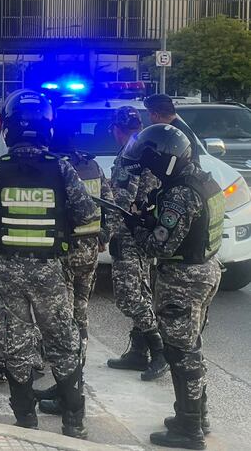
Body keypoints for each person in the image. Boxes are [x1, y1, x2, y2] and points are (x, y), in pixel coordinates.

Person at [0, 89, 97, 439]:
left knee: (16, 341)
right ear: (47, 128)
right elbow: (87, 215)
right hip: (50, 270)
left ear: (8, 131)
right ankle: (75, 423)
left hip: (10, 270)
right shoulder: (62, 169)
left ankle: (26, 422)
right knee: (62, 343)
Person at [121, 124, 224, 450]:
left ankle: (190, 428)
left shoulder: (180, 194)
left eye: (152, 163)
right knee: (190, 348)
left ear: (165, 160)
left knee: (181, 354)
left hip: (184, 280)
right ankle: (193, 414)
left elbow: (159, 246)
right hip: (205, 271)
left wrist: (135, 227)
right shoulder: (204, 180)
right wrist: (152, 218)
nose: (149, 169)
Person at [35, 126, 114, 416]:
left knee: (62, 322)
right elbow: (111, 205)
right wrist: (105, 235)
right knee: (79, 313)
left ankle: (68, 391)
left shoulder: (57, 169)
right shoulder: (91, 165)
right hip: (90, 251)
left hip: (64, 252)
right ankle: (72, 380)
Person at [105, 107, 169, 382]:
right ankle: (139, 351)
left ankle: (160, 350)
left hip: (129, 232)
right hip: (145, 230)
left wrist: (108, 231)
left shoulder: (130, 155)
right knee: (142, 289)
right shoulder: (148, 148)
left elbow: (121, 200)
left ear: (116, 130)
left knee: (130, 295)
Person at [144, 94, 201, 167]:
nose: (149, 119)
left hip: (183, 177)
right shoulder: (176, 129)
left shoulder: (175, 134)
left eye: (148, 115)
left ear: (156, 115)